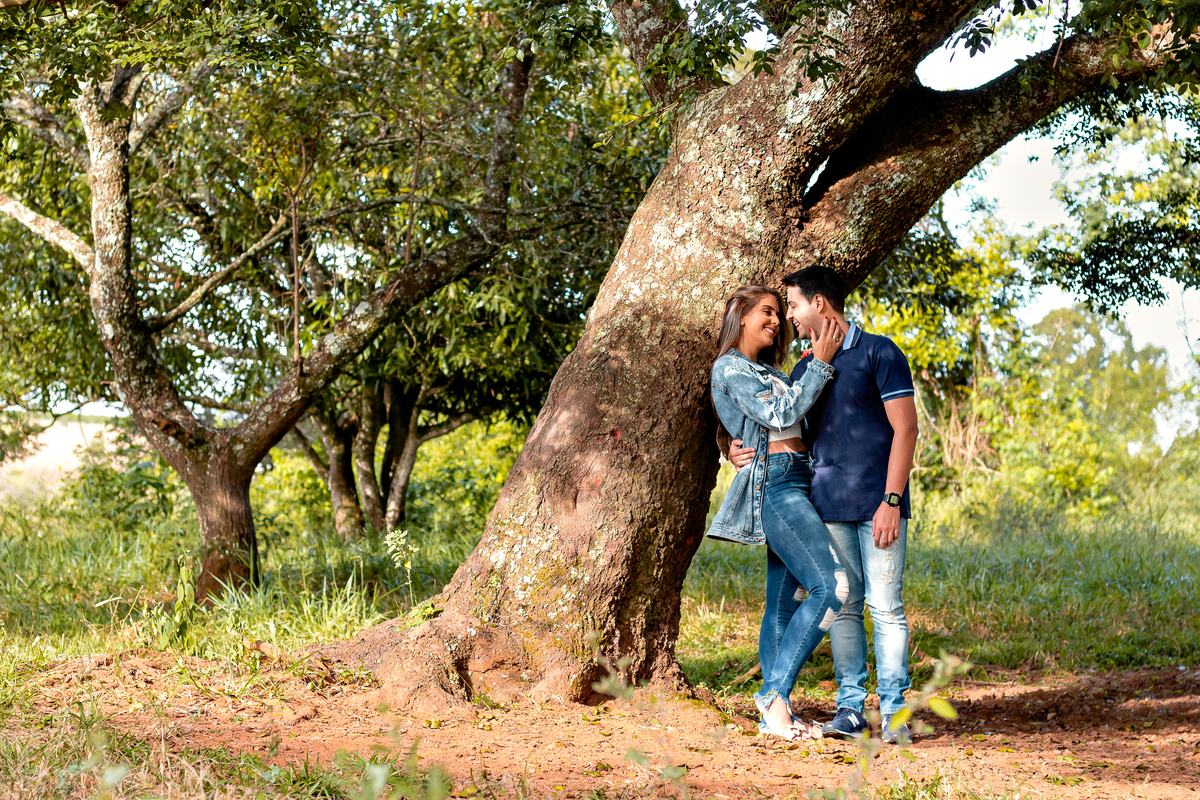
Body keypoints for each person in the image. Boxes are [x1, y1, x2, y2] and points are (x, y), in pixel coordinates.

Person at [730, 266, 919, 744]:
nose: (788, 316)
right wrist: (730, 448)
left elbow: (906, 429)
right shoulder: (803, 369)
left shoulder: (879, 351)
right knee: (847, 606)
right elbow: (785, 430)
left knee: (886, 607)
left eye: (791, 305)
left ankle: (894, 712)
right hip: (828, 504)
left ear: (819, 303)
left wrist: (891, 501)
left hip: (881, 505)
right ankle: (852, 709)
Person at [708, 284, 847, 742]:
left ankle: (776, 714)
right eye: (766, 311)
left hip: (800, 477)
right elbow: (782, 411)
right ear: (742, 316)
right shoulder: (728, 367)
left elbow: (782, 418)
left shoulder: (771, 370)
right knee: (834, 588)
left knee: (782, 604)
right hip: (777, 484)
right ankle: (773, 694)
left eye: (777, 312)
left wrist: (730, 443)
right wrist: (822, 363)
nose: (775, 319)